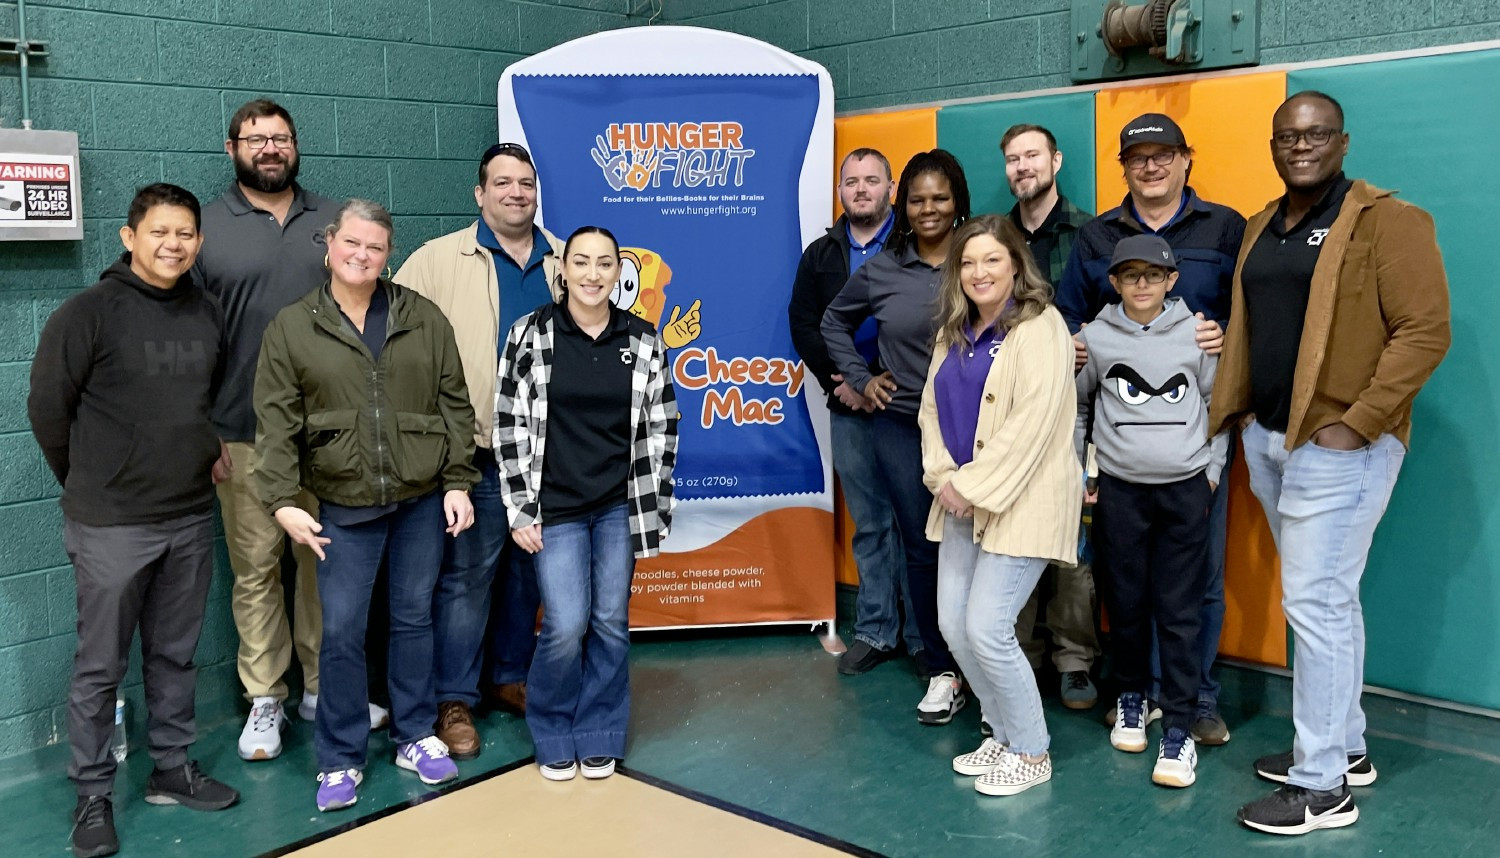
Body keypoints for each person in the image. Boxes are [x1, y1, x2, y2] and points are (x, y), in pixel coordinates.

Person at [1213, 91, 1450, 835]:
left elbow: (1425, 330)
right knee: (1329, 602)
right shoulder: (1261, 227)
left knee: (1313, 606)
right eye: (1287, 136)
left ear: (1342, 142)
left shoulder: (1388, 222)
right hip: (1275, 440)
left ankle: (1321, 789)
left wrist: (1359, 423)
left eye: (1315, 134)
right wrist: (1247, 410)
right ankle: (1344, 750)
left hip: (1341, 448)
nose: (1300, 145)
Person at [29, 183, 240, 858]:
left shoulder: (208, 312)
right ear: (129, 237)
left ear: (198, 243)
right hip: (110, 523)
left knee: (174, 654)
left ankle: (171, 769)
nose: (172, 244)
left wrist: (206, 452)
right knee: (100, 665)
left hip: (185, 516)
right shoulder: (86, 313)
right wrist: (90, 481)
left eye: (185, 234)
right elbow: (47, 412)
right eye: (159, 232)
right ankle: (92, 793)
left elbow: (209, 400)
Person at [253, 200, 480, 812]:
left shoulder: (422, 318)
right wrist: (280, 501)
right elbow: (275, 424)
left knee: (413, 620)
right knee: (344, 633)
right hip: (343, 505)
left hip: (419, 502)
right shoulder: (293, 326)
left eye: (375, 247)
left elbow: (454, 406)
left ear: (389, 254)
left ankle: (414, 735)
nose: (362, 255)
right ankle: (340, 759)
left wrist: (458, 480)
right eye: (352, 243)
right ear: (329, 245)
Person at [194, 98, 387, 761]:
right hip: (244, 434)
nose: (270, 148)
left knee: (325, 566)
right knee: (255, 571)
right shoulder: (206, 227)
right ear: (232, 148)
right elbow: (188, 337)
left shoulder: (333, 222)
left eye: (281, 137)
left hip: (331, 435)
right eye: (256, 138)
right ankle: (265, 699)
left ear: (296, 146)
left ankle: (323, 688)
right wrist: (202, 430)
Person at [1055, 113, 1243, 744]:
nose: (1152, 165)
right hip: (1122, 468)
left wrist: (1212, 466)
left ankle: (1196, 702)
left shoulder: (1224, 227)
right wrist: (1077, 349)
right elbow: (1072, 330)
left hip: (1191, 456)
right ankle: (1132, 693)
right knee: (1127, 588)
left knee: (1197, 587)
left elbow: (1249, 321)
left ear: (1187, 159)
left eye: (1165, 154)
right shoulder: (1095, 236)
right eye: (1138, 156)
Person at [394, 142, 563, 757]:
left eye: (526, 183)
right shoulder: (439, 261)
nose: (516, 193)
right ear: (479, 193)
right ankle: (453, 698)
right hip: (478, 453)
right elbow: (385, 336)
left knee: (527, 575)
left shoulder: (564, 262)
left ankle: (509, 678)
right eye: (503, 183)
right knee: (467, 578)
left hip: (546, 454)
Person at [495, 226, 678, 781]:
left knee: (609, 622)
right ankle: (552, 727)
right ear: (563, 270)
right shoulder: (531, 335)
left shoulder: (644, 341)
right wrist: (521, 507)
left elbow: (663, 428)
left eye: (605, 264)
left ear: (618, 273)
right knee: (566, 623)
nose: (593, 274)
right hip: (556, 509)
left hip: (619, 507)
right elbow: (508, 424)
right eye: (582, 262)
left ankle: (599, 731)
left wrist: (652, 504)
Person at [919, 214, 1081, 796]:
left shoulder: (1043, 328)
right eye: (967, 262)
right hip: (957, 499)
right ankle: (1002, 733)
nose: (979, 272)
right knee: (954, 626)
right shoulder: (953, 330)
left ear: (1016, 264)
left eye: (992, 259)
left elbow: (1030, 428)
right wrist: (943, 478)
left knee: (988, 627)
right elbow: (931, 414)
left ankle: (1032, 751)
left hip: (1020, 501)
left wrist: (972, 486)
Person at [822, 149, 972, 725]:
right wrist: (861, 379)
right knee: (921, 545)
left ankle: (983, 662)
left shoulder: (980, 256)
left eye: (939, 197)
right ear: (900, 205)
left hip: (974, 433)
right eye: (917, 199)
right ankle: (940, 667)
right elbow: (833, 321)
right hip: (901, 426)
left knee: (981, 546)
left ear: (956, 200)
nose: (928, 208)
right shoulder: (884, 269)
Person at [1075, 234, 1228, 789]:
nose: (1143, 284)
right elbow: (1080, 405)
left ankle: (1181, 726)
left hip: (1186, 489)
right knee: (1128, 603)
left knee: (1181, 609)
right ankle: (1133, 697)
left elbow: (1217, 406)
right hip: (1120, 491)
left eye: (1153, 275)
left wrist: (1210, 473)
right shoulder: (1094, 337)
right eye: (1130, 275)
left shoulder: (1197, 334)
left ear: (1172, 281)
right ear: (1114, 283)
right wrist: (1080, 473)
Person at [787, 147, 913, 675]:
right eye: (851, 181)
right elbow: (804, 323)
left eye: (872, 180)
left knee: (919, 521)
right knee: (871, 524)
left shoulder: (912, 246)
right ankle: (877, 630)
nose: (861, 189)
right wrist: (844, 383)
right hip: (847, 404)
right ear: (840, 191)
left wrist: (882, 382)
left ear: (890, 188)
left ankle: (927, 636)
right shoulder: (821, 253)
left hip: (908, 405)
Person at [1000, 122, 1101, 709]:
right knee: (1012, 529)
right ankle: (1021, 654)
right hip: (1009, 410)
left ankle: (1074, 659)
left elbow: (1115, 310)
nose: (1022, 167)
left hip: (1075, 407)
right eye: (1012, 159)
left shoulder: (1090, 233)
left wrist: (1081, 340)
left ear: (1056, 161)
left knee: (1070, 534)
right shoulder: (995, 238)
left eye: (1031, 155)